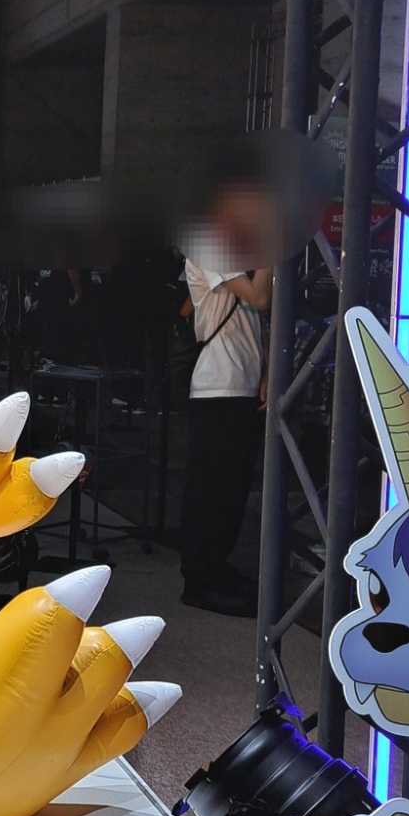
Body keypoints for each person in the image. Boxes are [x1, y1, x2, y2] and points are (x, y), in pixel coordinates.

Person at [178, 255, 272, 616]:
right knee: (211, 489)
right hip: (217, 387)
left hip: (241, 383)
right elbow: (259, 297)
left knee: (231, 489)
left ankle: (216, 567)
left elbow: (257, 315)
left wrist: (266, 368)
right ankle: (200, 579)